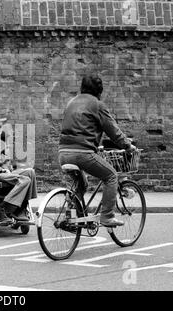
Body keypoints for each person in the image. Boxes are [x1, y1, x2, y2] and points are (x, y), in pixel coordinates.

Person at [58, 74, 136, 227]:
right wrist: (128, 146)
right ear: (99, 90)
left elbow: (77, 127)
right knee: (111, 176)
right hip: (82, 154)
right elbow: (113, 131)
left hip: (63, 153)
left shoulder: (70, 103)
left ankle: (73, 218)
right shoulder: (97, 105)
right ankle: (107, 216)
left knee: (81, 185)